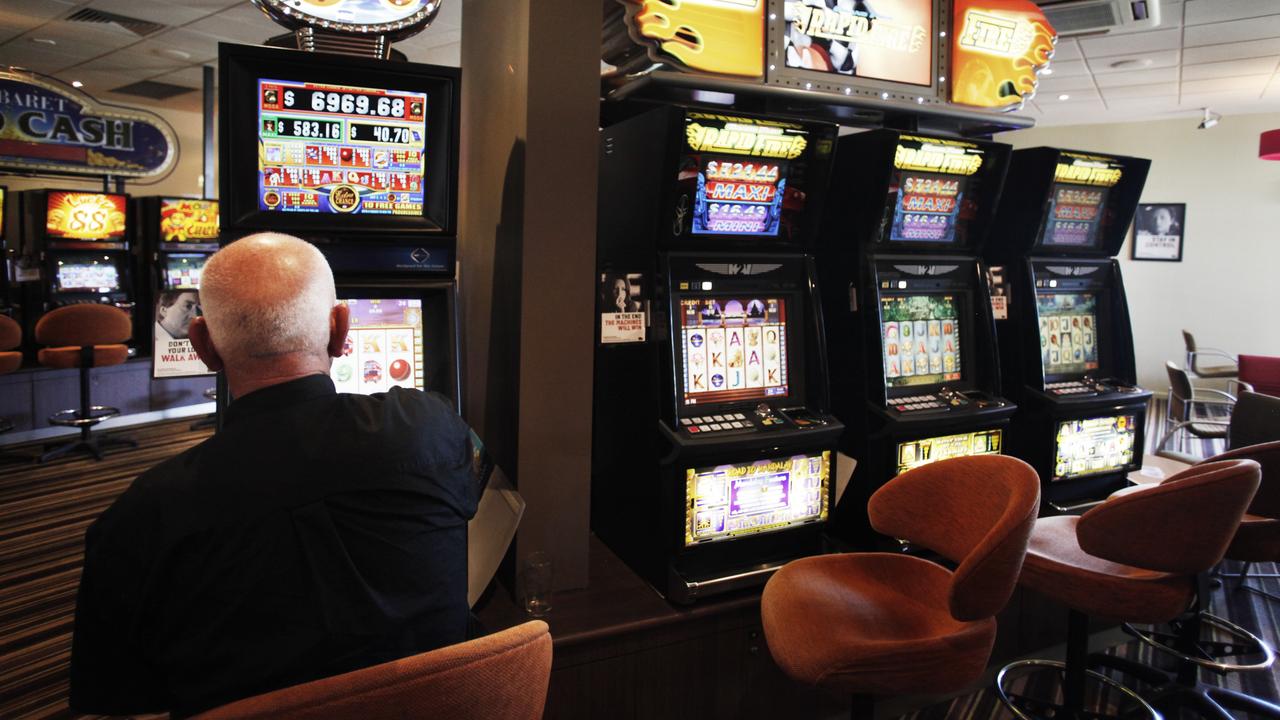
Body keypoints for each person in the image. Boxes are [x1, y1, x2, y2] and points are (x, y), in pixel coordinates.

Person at [69, 233, 479, 717]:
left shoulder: (142, 516)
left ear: (202, 343)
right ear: (340, 327)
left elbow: (115, 698)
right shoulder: (428, 425)